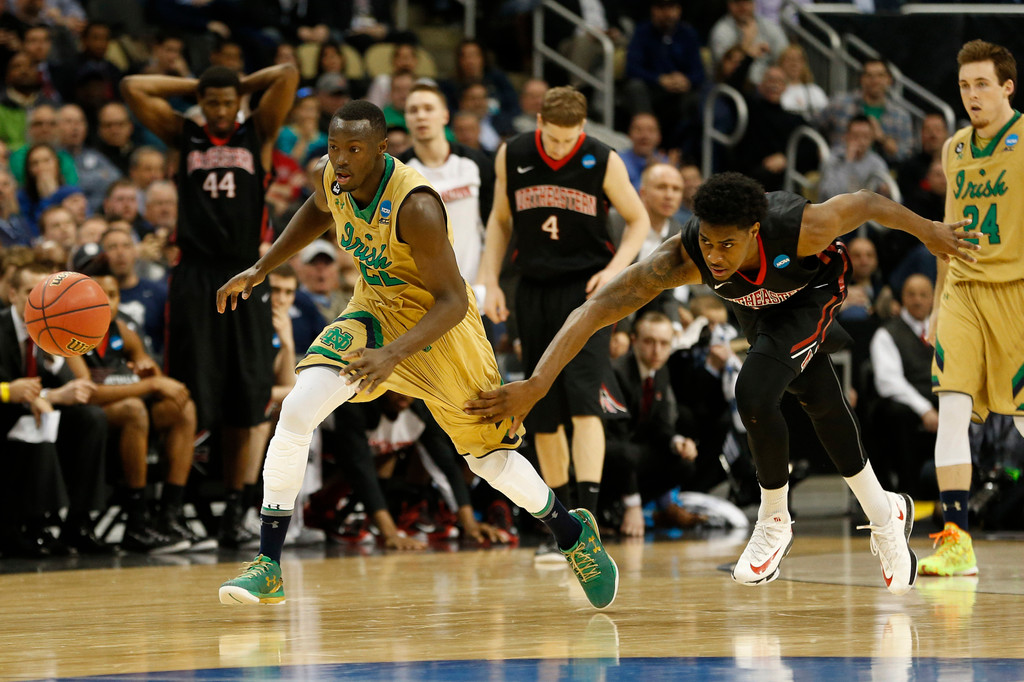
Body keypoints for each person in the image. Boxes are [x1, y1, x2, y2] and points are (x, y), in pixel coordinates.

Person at [465, 171, 980, 596]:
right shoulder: (685, 255)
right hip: (759, 308)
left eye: (727, 244)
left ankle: (774, 520)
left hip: (812, 292)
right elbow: (596, 308)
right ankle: (885, 512)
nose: (714, 255)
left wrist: (929, 231)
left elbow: (867, 202)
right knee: (820, 400)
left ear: (755, 231)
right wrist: (536, 383)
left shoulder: (803, 226)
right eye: (708, 242)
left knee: (753, 392)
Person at [214, 100, 618, 609]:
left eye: (354, 149)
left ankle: (572, 534)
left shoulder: (416, 206)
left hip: (441, 330)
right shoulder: (332, 176)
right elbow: (318, 208)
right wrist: (262, 267)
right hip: (374, 310)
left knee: (487, 458)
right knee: (296, 409)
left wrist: (391, 355)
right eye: (335, 147)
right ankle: (268, 564)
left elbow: (452, 301)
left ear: (382, 149)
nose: (341, 159)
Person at [120, 62, 300, 548]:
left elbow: (287, 74)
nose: (220, 110)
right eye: (211, 102)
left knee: (248, 398)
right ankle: (169, 511)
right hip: (196, 275)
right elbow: (133, 85)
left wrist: (238, 86)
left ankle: (234, 515)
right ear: (200, 103)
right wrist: (198, 86)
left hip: (246, 271)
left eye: (227, 101)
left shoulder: (257, 131)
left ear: (239, 102)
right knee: (190, 394)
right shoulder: (185, 134)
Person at [476, 86, 650, 561]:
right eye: (552, 139)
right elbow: (500, 221)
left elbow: (638, 221)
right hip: (532, 287)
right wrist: (490, 279)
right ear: (539, 125)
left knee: (584, 400)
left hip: (587, 290)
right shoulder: (513, 154)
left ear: (582, 129)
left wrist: (615, 271)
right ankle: (564, 528)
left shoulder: (603, 159)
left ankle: (588, 517)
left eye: (568, 140)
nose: (558, 149)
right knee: (542, 403)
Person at [922, 40, 1024, 578]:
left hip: (1017, 291)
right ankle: (957, 541)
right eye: (964, 85)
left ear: (1008, 87)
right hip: (963, 291)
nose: (971, 95)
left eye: (982, 84)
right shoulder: (955, 148)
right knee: (952, 409)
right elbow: (948, 232)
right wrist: (939, 305)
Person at [67, 261, 200, 553]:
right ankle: (137, 522)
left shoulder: (123, 331)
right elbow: (87, 393)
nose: (108, 303)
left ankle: (170, 514)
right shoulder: (69, 334)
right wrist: (150, 385)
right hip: (86, 418)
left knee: (183, 408)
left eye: (113, 295)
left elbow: (158, 380)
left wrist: (150, 375)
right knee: (133, 409)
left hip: (129, 416)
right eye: (100, 295)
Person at [399, 81, 494, 285]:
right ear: (406, 119)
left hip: (476, 286)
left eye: (428, 109)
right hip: (423, 291)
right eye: (413, 110)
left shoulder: (475, 163)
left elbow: (494, 227)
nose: (421, 116)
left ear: (445, 115)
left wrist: (485, 284)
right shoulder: (398, 173)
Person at [868, 274, 937, 500]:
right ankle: (907, 493)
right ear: (903, 298)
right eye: (911, 294)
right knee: (895, 413)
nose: (917, 300)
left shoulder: (945, 330)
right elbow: (889, 382)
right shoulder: (887, 333)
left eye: (923, 295)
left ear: (933, 298)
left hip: (941, 398)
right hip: (908, 405)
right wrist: (924, 410)